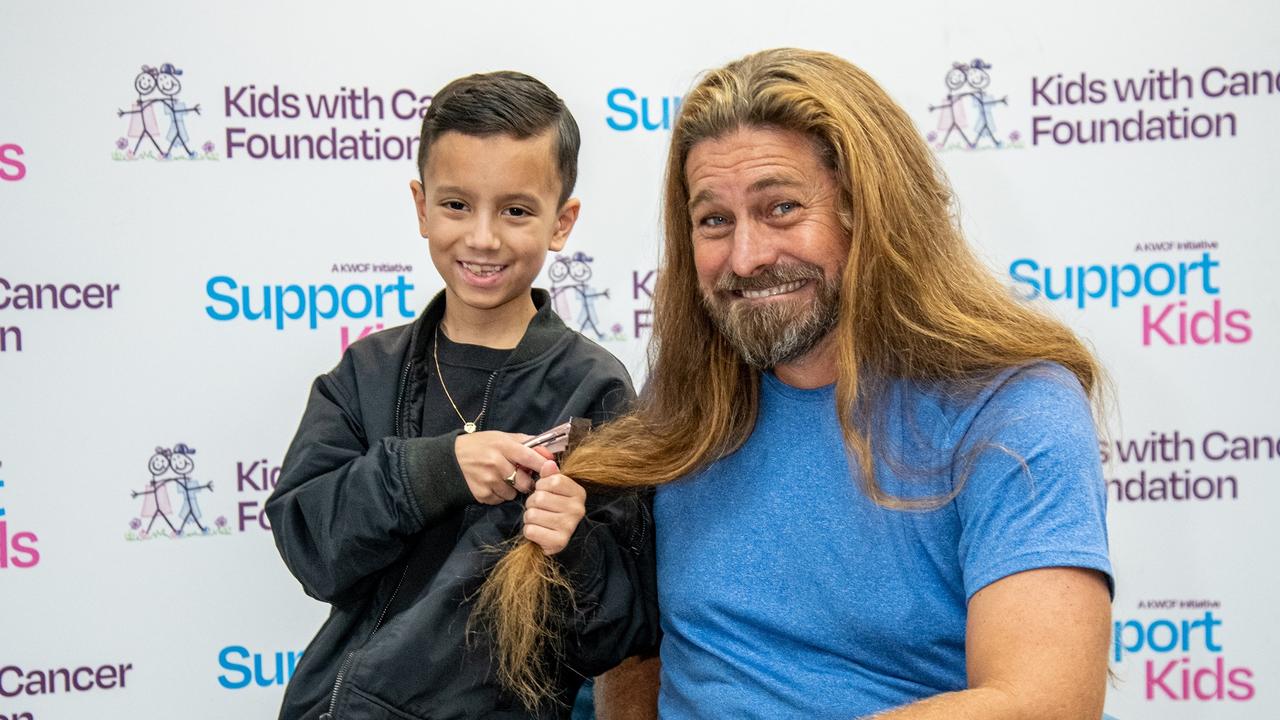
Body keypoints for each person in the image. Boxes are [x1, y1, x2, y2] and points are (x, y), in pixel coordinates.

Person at [485, 48, 1113, 718]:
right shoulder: (686, 417)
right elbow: (640, 654)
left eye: (781, 208)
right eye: (714, 221)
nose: (747, 257)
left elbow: (1044, 703)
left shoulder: (1014, 410)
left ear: (871, 212)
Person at [265, 71, 655, 720]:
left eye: (516, 210)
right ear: (421, 207)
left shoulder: (595, 388)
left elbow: (622, 628)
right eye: (456, 205)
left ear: (563, 222)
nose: (481, 237)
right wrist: (438, 469)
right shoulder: (368, 371)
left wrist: (576, 544)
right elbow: (311, 550)